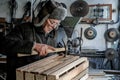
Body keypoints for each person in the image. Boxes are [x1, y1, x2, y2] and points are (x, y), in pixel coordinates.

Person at [0, 0, 67, 80]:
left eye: (57, 24)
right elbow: (3, 45)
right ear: (44, 18)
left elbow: (51, 53)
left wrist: (58, 56)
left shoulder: (53, 34)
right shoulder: (23, 29)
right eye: (52, 22)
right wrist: (33, 46)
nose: (54, 27)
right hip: (19, 77)